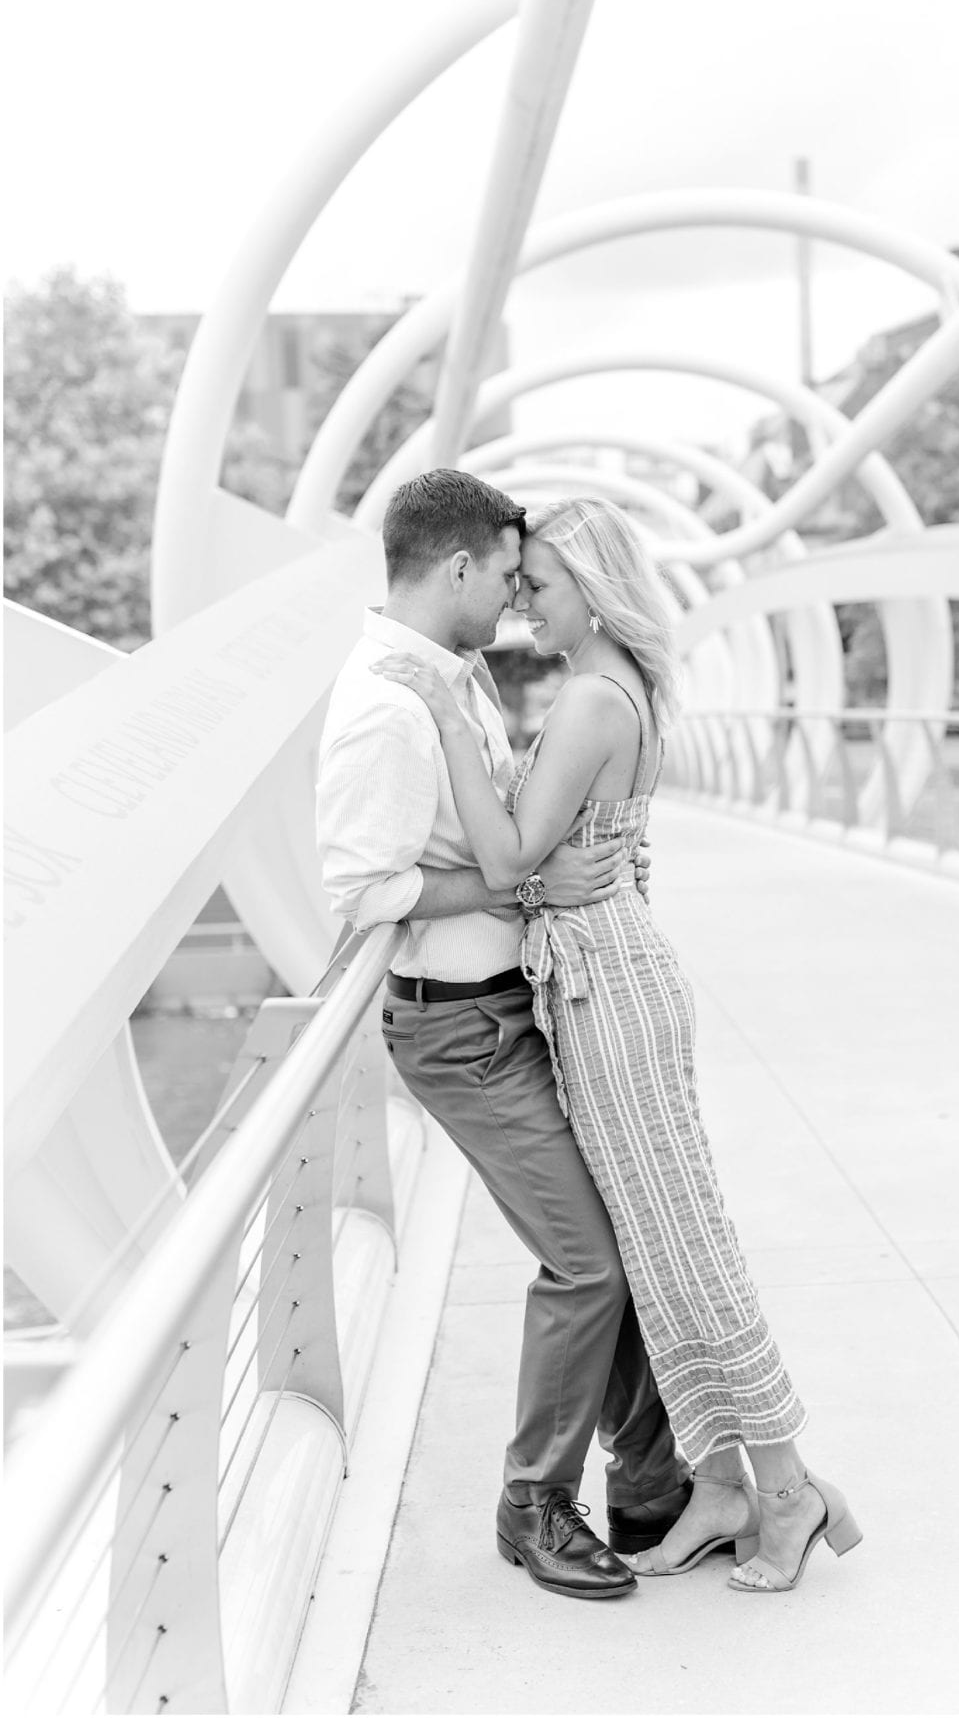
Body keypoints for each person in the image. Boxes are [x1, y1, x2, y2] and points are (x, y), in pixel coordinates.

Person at [371, 493, 861, 1594]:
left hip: (607, 996)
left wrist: (448, 716)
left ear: (591, 588)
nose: (522, 607)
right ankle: (722, 1485)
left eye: (538, 586)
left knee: (685, 1248)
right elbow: (594, 857)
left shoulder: (593, 698)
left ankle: (785, 1494)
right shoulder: (622, 687)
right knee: (654, 1249)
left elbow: (502, 861)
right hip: (603, 974)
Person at [315, 468, 696, 1603]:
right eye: (509, 576)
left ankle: (648, 1480)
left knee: (612, 1234)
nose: (517, 603)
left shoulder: (454, 678)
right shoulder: (388, 705)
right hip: (454, 1033)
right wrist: (513, 889)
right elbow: (357, 886)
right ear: (459, 567)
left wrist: (531, 881)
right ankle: (533, 1502)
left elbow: (510, 830)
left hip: (508, 1009)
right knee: (584, 1260)